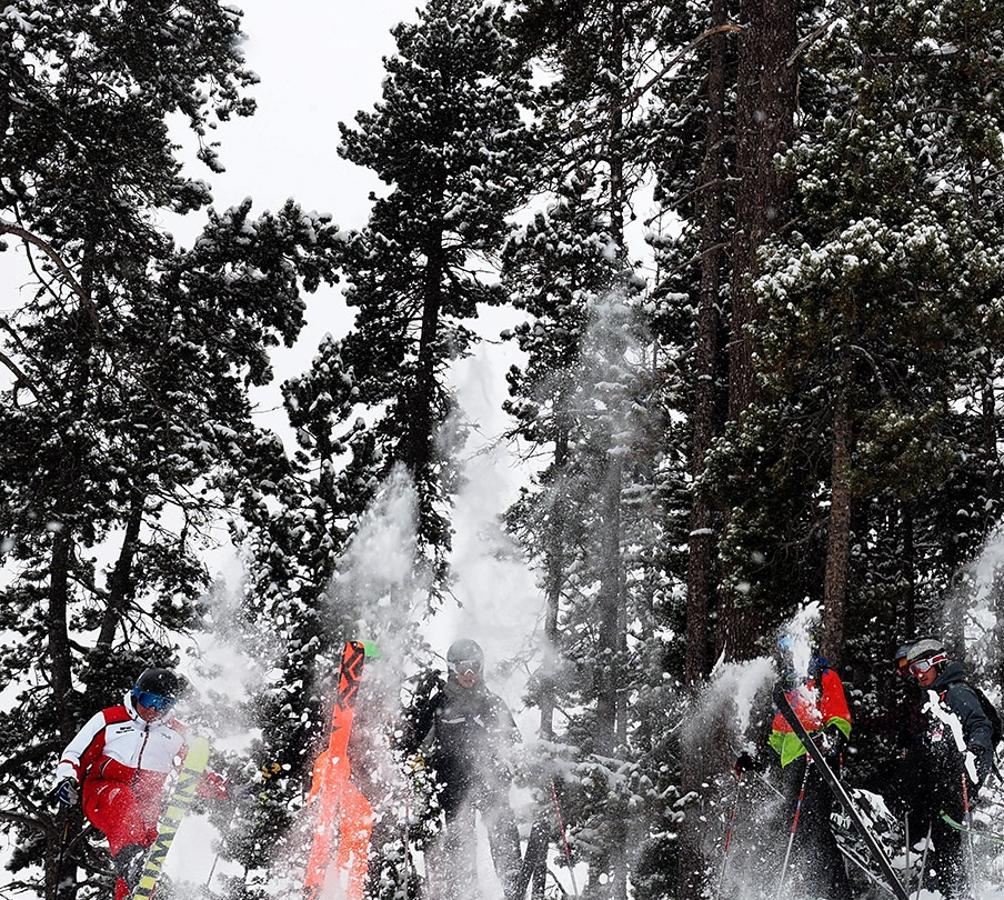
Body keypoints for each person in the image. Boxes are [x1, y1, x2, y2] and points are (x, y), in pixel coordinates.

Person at [52, 668, 228, 900]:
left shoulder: (176, 733)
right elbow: (75, 753)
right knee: (124, 804)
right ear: (136, 695)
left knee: (148, 852)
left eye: (163, 704)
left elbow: (196, 771)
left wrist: (224, 790)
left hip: (146, 801)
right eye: (149, 700)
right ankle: (134, 864)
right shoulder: (109, 720)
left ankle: (135, 891)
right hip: (103, 792)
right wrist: (66, 779)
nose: (154, 709)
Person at [400, 639, 522, 900]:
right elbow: (416, 748)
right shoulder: (439, 706)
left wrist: (519, 763)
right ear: (452, 668)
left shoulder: (492, 703)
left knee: (504, 836)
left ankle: (514, 890)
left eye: (475, 667)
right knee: (460, 847)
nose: (470, 674)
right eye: (464, 668)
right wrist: (419, 773)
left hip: (491, 785)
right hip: (454, 788)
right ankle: (465, 894)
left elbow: (514, 743)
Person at [736, 634, 852, 900]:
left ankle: (837, 894)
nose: (787, 659)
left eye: (792, 652)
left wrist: (828, 739)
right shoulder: (787, 694)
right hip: (793, 773)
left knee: (813, 829)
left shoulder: (824, 679)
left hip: (818, 767)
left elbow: (840, 720)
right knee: (789, 830)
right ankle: (802, 890)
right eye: (783, 654)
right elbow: (777, 742)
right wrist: (755, 759)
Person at [901, 638, 995, 898]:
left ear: (938, 662)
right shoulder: (935, 696)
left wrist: (974, 752)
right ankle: (942, 886)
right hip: (941, 778)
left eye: (921, 665)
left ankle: (957, 890)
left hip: (958, 779)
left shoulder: (957, 692)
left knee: (949, 838)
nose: (917, 674)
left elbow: (980, 725)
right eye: (912, 669)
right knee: (939, 836)